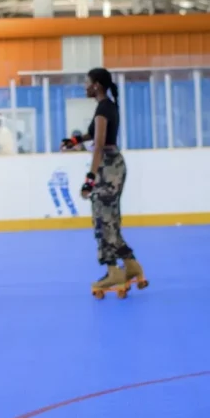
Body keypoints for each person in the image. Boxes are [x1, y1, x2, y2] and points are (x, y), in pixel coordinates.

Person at [61, 67, 147, 298]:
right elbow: (95, 135)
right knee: (110, 219)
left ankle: (113, 271)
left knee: (102, 221)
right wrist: (75, 140)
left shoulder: (102, 109)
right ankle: (131, 265)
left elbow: (98, 145)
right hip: (114, 165)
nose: (85, 87)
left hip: (107, 167)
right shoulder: (108, 106)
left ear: (97, 85)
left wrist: (89, 180)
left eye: (87, 82)